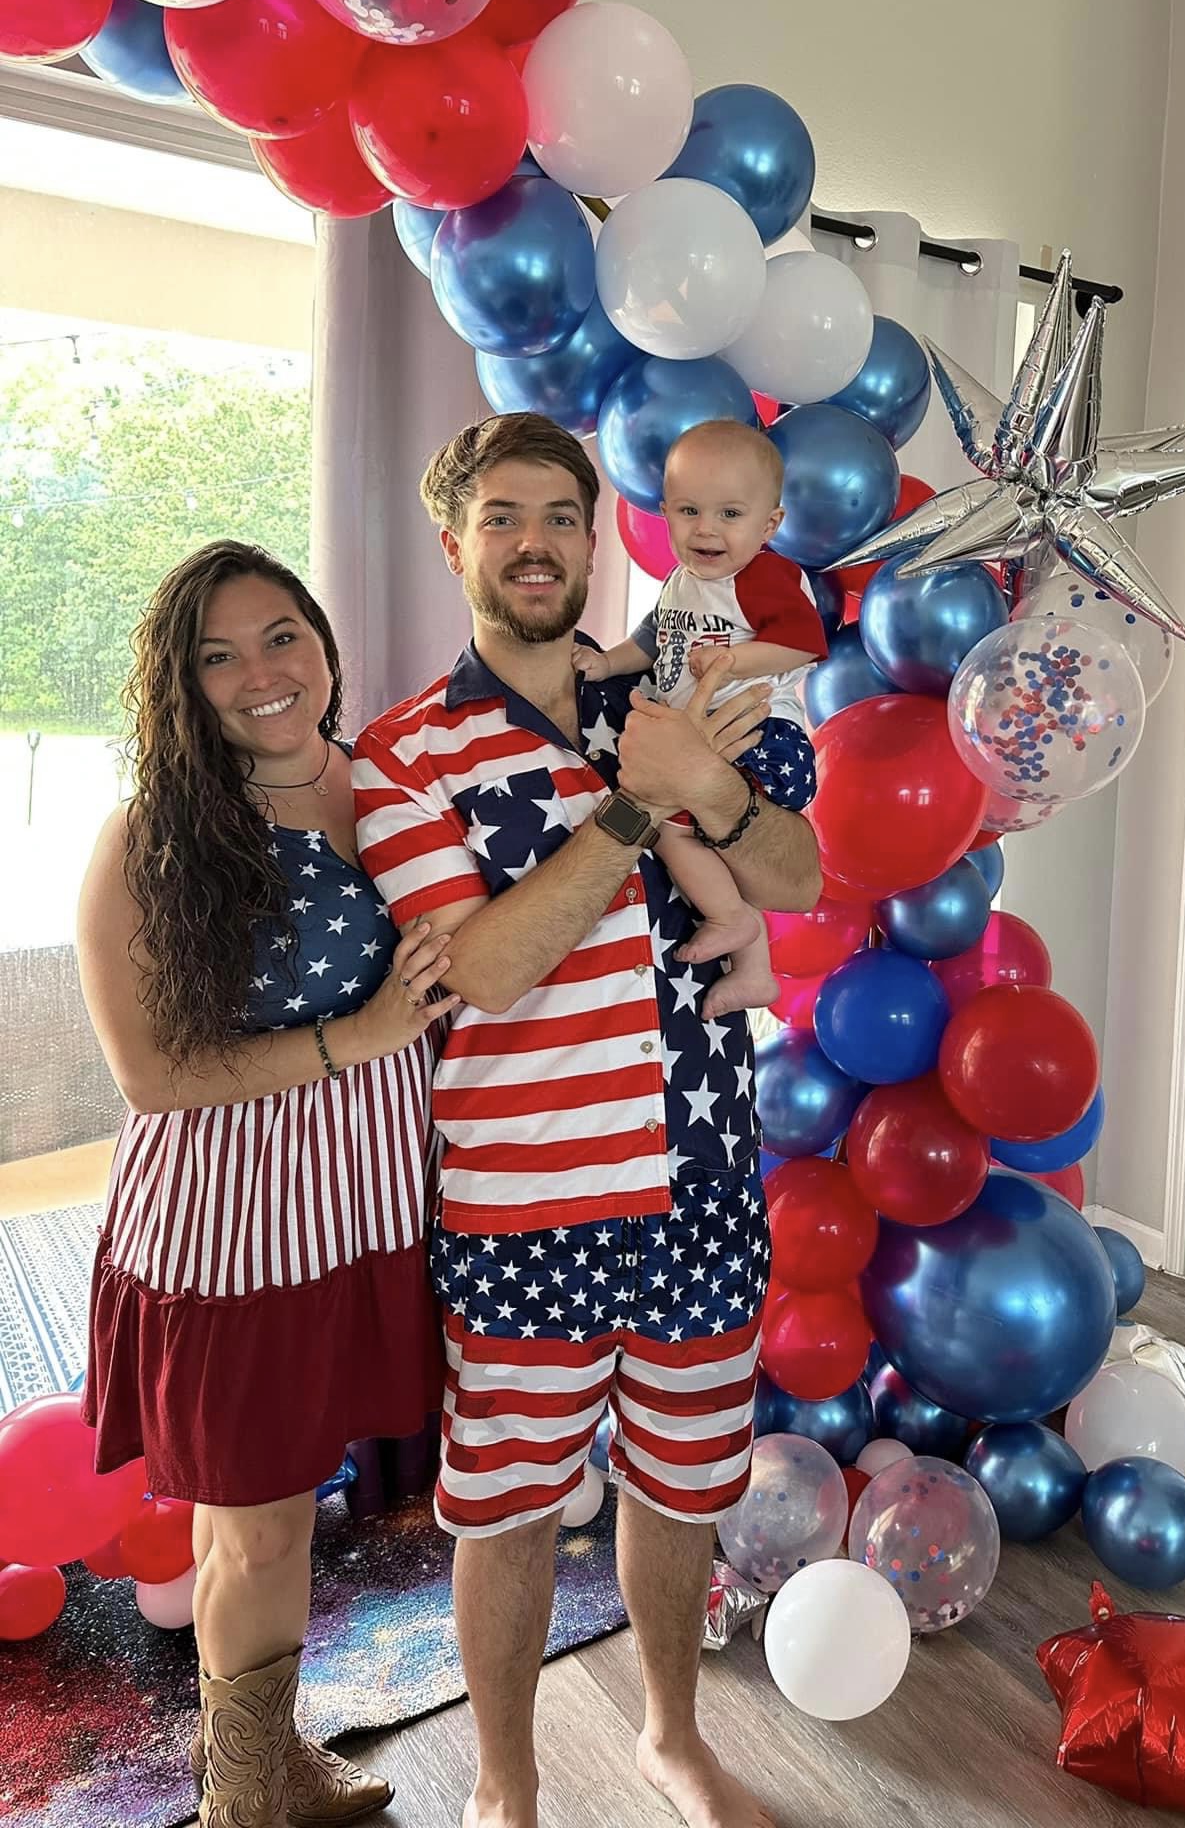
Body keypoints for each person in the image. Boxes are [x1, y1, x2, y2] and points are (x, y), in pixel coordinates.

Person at [351, 412, 822, 1828]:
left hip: (701, 1182)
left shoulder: (671, 688)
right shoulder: (403, 755)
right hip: (523, 1197)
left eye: (560, 515)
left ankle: (671, 1737)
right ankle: (506, 1784)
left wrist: (714, 782)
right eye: (504, 517)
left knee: (681, 1488)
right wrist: (635, 806)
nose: (536, 542)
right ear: (457, 544)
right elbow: (484, 967)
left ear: (593, 534)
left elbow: (793, 873)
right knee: (502, 1512)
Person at [76, 541, 455, 1828]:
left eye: (281, 634)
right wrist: (357, 1038)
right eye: (218, 653)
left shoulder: (392, 786)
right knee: (261, 1529)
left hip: (366, 1207)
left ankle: (258, 1754)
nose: (259, 672)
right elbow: (151, 1076)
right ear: (181, 685)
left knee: (276, 1511)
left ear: (326, 645)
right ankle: (247, 1798)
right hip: (234, 1232)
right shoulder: (153, 837)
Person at [575, 421, 826, 1019]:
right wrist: (608, 661)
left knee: (670, 826)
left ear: (769, 525)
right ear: (664, 513)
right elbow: (651, 641)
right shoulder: (681, 582)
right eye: (689, 510)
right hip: (705, 736)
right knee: (677, 827)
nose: (707, 528)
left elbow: (803, 644)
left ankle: (731, 919)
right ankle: (755, 968)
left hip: (761, 735)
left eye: (730, 514)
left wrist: (734, 659)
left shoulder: (762, 577)